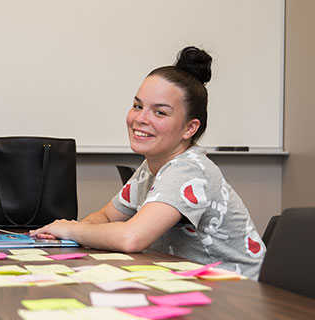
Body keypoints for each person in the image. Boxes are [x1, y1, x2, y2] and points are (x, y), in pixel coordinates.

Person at [29, 46, 266, 279]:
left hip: (238, 294)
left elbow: (132, 238)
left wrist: (72, 229)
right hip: (188, 284)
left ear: (189, 128)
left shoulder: (189, 170)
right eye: (137, 106)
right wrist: (73, 235)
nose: (140, 119)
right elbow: (105, 217)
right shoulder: (151, 167)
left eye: (159, 112)